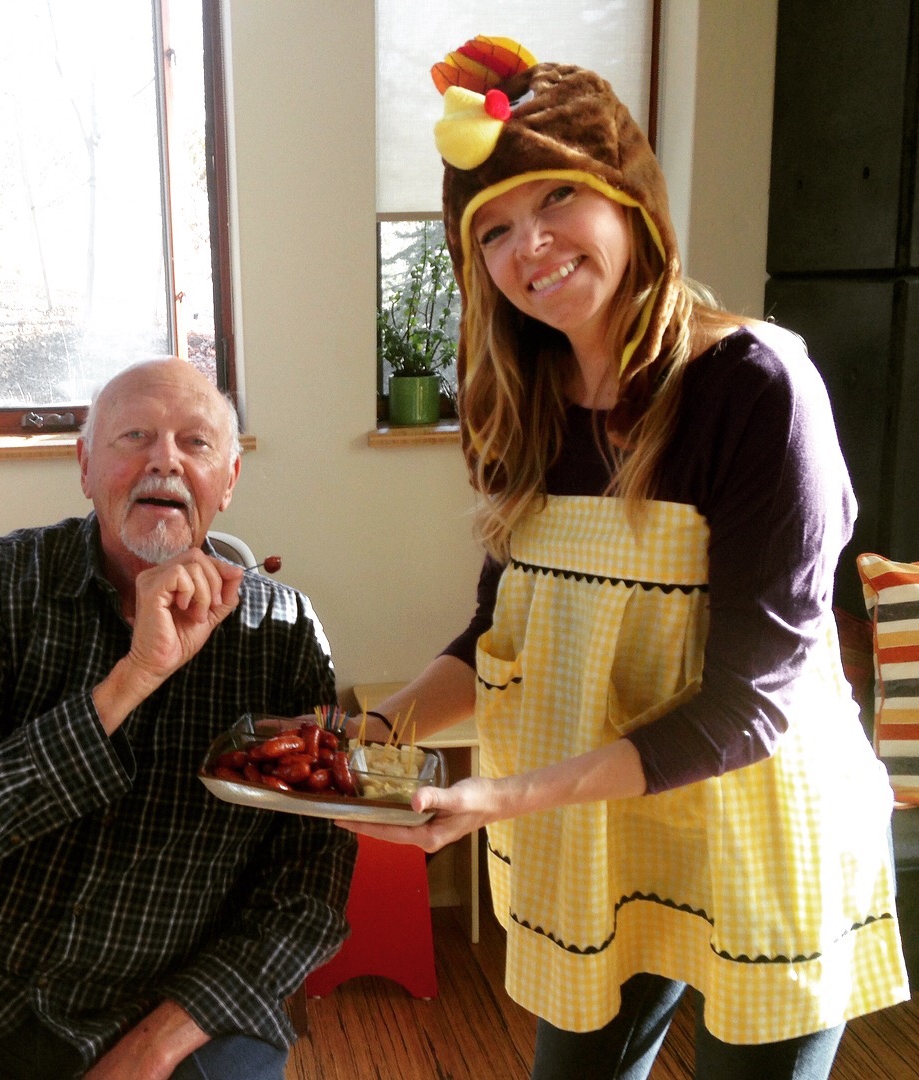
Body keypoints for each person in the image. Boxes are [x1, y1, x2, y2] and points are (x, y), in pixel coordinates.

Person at [343, 34, 911, 1080]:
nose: (530, 245)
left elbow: (750, 707)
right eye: (494, 229)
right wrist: (368, 739)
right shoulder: (518, 409)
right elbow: (500, 634)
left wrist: (497, 798)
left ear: (629, 197)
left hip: (761, 832)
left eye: (557, 197)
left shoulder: (754, 388)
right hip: (604, 835)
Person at [0, 358, 354, 1080]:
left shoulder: (285, 631)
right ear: (85, 467)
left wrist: (155, 1046)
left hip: (167, 1000)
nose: (165, 460)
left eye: (196, 443)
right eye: (134, 436)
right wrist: (130, 681)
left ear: (230, 480)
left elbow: (308, 888)